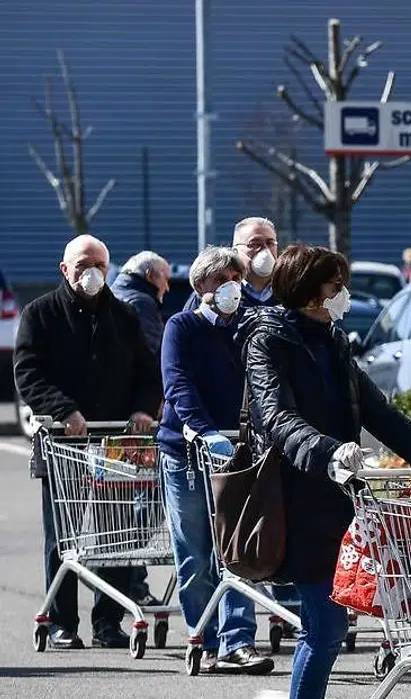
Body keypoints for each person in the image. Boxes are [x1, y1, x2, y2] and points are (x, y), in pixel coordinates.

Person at [237, 245, 411, 699]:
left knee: (327, 626)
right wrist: (328, 451)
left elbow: (378, 411)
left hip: (339, 498)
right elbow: (276, 417)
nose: (345, 294)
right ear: (309, 291)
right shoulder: (267, 341)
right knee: (326, 626)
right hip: (296, 497)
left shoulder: (332, 339)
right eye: (336, 286)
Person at [13, 234, 161, 650]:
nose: (91, 273)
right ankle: (62, 622)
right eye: (82, 265)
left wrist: (143, 409)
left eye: (98, 265)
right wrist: (64, 411)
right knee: (63, 537)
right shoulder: (41, 314)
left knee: (116, 536)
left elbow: (147, 372)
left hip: (115, 444)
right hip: (64, 444)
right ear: (65, 269)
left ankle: (107, 622)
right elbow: (28, 372)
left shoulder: (122, 316)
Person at [156, 246, 274, 675]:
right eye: (223, 280)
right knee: (195, 553)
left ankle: (237, 642)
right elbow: (177, 384)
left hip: (237, 452)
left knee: (235, 549)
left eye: (237, 280)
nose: (232, 288)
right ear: (201, 284)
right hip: (186, 453)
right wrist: (203, 430)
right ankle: (202, 637)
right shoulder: (182, 326)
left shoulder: (247, 326)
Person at [184, 217, 281, 312]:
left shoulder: (287, 288)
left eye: (270, 243)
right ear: (236, 250)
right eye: (254, 244)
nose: (265, 250)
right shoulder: (216, 291)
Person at [112, 250, 171, 356]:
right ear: (150, 275)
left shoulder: (110, 294)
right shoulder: (142, 303)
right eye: (165, 279)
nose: (167, 287)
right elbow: (149, 351)